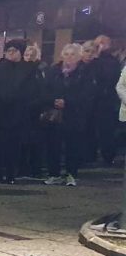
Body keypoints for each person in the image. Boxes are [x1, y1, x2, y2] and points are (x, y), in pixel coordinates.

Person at [0, 39, 39, 185]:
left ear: (20, 52)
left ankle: (11, 174)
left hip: (17, 112)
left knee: (13, 145)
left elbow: (31, 89)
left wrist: (15, 97)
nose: (11, 54)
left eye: (14, 51)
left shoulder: (27, 68)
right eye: (8, 51)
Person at [41, 43, 90, 187]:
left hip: (74, 114)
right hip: (54, 114)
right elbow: (44, 90)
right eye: (66, 54)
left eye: (73, 54)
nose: (69, 57)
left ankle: (71, 174)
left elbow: (87, 94)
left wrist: (67, 102)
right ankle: (54, 174)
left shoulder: (84, 73)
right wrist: (53, 101)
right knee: (53, 145)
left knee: (73, 146)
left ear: (79, 57)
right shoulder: (53, 71)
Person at [91, 33, 121, 165]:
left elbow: (107, 78)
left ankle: (108, 155)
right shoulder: (97, 61)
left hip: (105, 100)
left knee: (106, 130)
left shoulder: (109, 62)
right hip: (96, 100)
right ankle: (95, 154)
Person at [19, 43, 47, 178]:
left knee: (36, 142)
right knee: (22, 141)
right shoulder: (19, 71)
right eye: (26, 55)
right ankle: (23, 168)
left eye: (32, 55)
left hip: (36, 111)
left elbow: (43, 91)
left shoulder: (40, 72)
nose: (29, 57)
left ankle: (36, 168)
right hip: (22, 110)